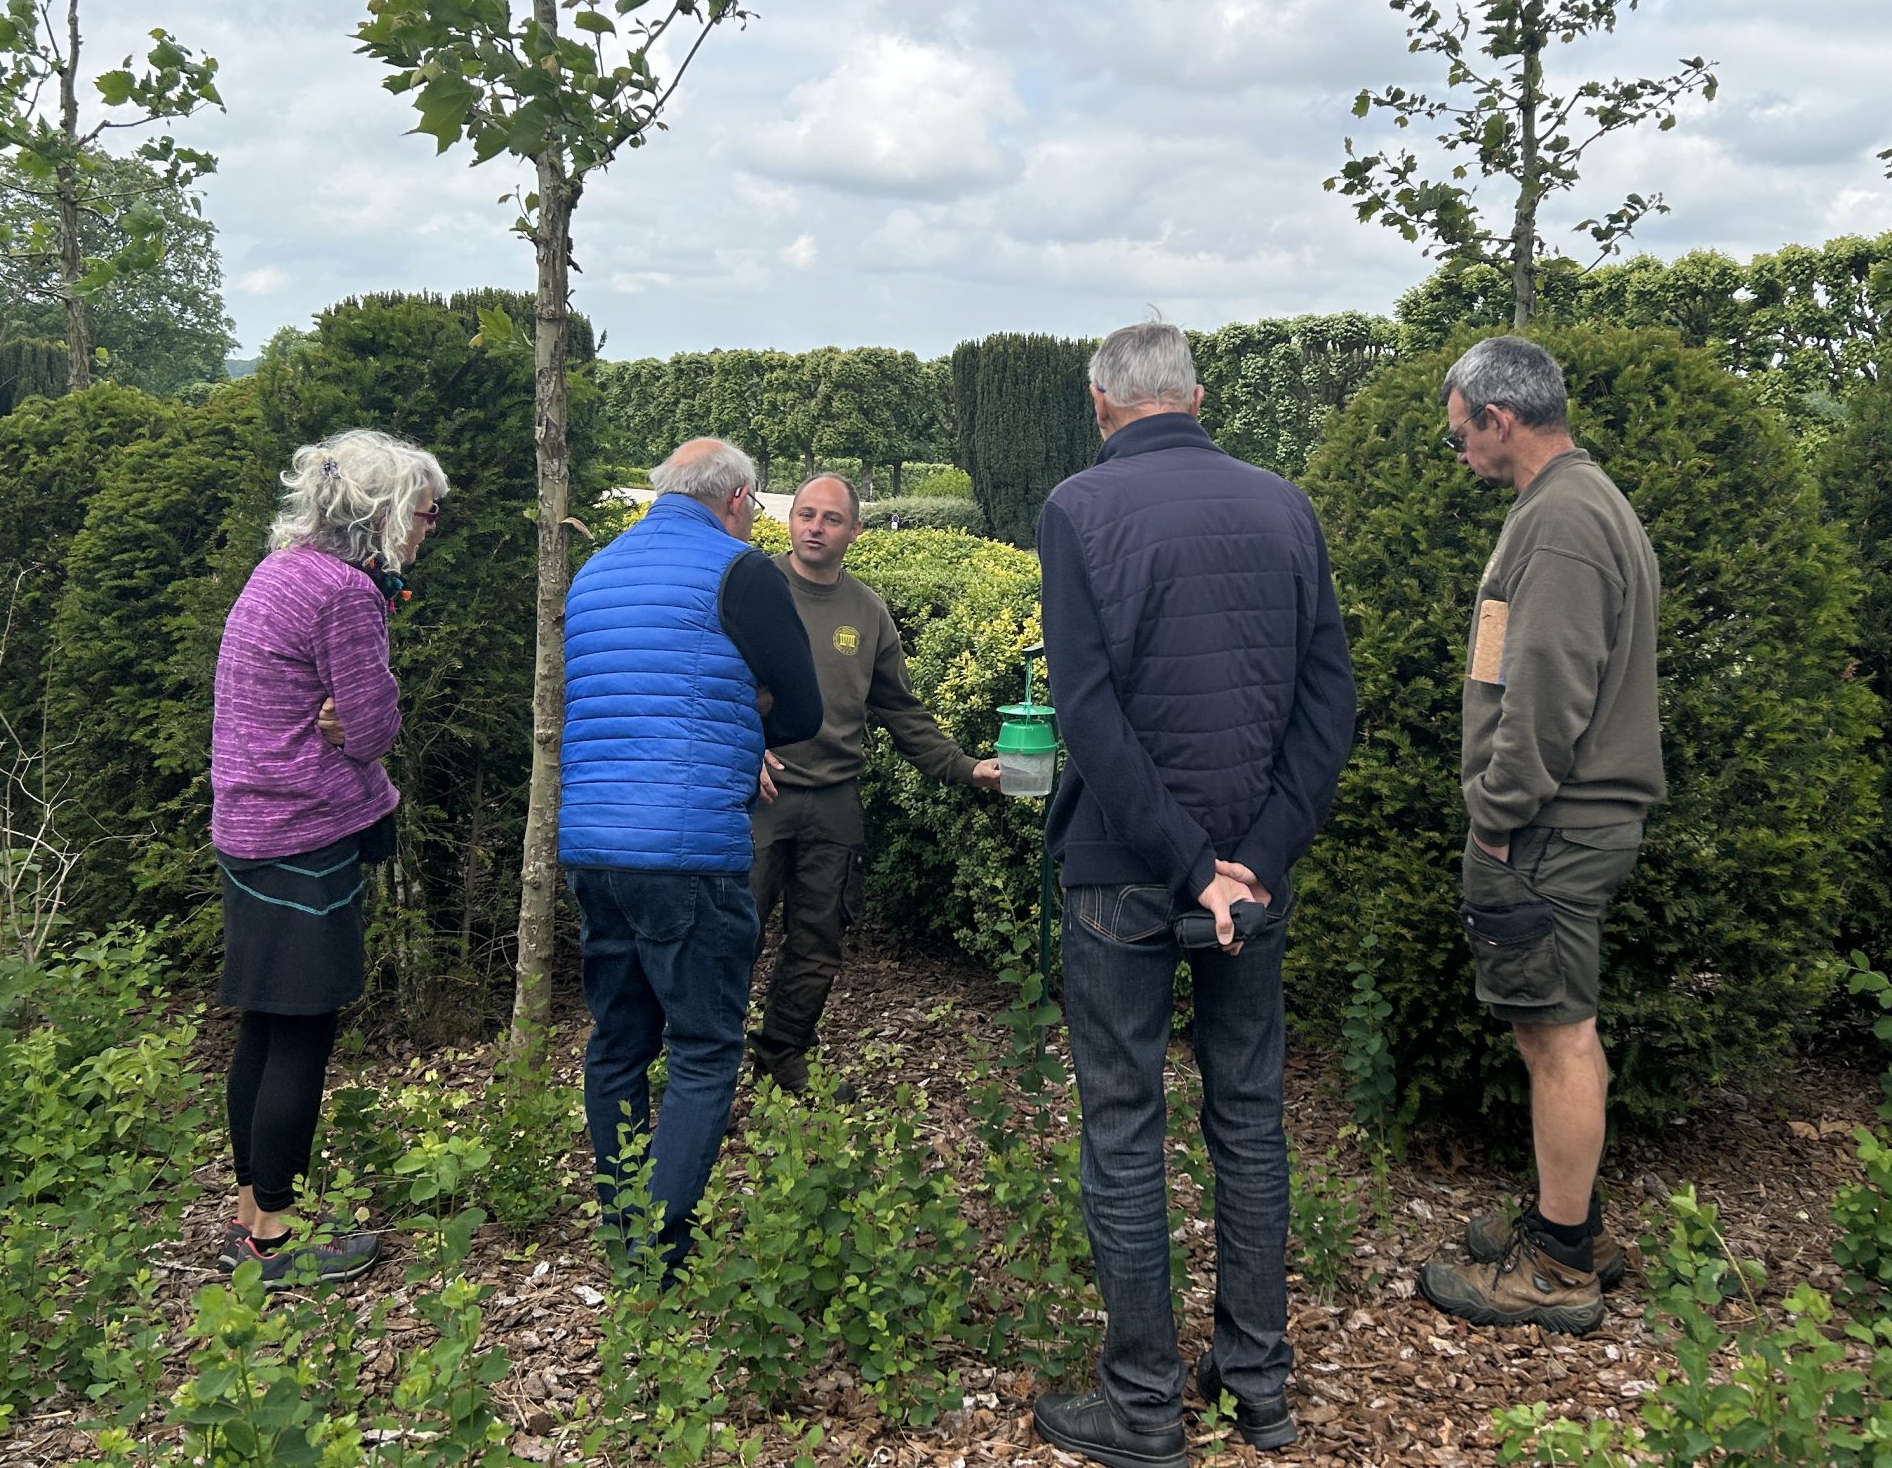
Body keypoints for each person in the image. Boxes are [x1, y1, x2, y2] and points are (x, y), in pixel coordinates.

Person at [1030, 321, 1356, 1468]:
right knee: (1249, 1119)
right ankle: (1257, 1387)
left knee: (1125, 1127)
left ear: (1100, 403)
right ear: (1198, 396)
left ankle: (1141, 1406)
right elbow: (1329, 706)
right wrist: (1252, 860)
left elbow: (1087, 711)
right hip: (1251, 881)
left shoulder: (1077, 508)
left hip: (1128, 871)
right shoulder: (1285, 505)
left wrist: (1184, 864)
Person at [1414, 336, 1663, 1336]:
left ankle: (1558, 1269)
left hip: (1550, 824)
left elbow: (1547, 690)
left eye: (1459, 435)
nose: (1460, 453)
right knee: (1563, 1026)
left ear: (1497, 419)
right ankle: (1575, 1224)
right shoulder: (1575, 501)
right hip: (1569, 817)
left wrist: (1498, 812)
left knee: (1554, 1034)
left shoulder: (1559, 520)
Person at [560, 437, 821, 1271]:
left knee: (618, 1042)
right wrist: (754, 725)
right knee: (706, 1046)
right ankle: (655, 1246)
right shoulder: (741, 572)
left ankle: (622, 1221)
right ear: (740, 498)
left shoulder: (595, 570)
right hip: (687, 847)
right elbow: (804, 710)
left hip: (593, 844)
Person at [212, 428, 446, 1289]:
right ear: (384, 516)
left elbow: (339, 713)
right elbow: (377, 726)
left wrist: (342, 713)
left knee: (266, 1026)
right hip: (305, 837)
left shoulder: (278, 571)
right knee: (303, 1031)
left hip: (249, 829)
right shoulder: (345, 594)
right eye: (424, 514)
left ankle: (249, 1217)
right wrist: (357, 715)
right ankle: (273, 1241)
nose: (428, 529)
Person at [749, 472, 1001, 1094]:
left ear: (855, 531)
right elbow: (708, 679)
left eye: (831, 518)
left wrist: (965, 767)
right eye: (805, 514)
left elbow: (900, 709)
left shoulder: (867, 610)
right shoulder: (755, 588)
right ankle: (702, 1077)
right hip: (757, 797)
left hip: (834, 800)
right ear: (789, 520)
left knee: (818, 942)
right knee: (733, 936)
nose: (814, 526)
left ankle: (783, 1059)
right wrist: (737, 751)